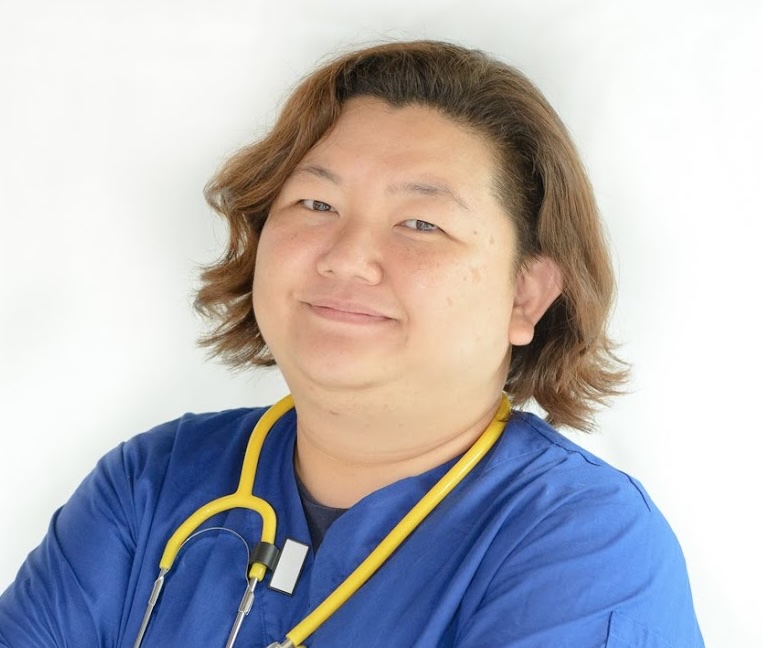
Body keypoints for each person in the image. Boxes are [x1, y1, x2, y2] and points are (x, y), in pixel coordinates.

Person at [0, 40, 703, 647]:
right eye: (316, 204)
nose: (345, 257)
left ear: (526, 296)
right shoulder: (151, 484)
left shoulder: (586, 546)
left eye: (421, 223)